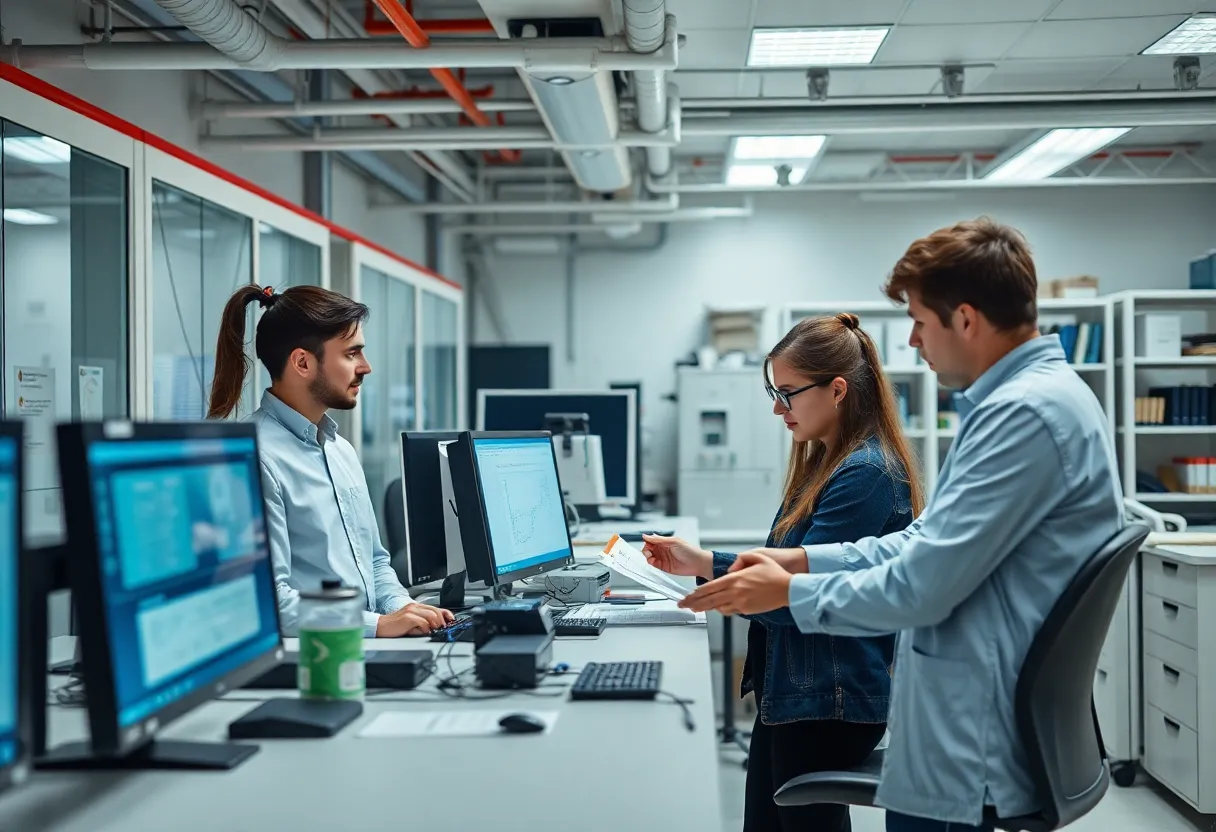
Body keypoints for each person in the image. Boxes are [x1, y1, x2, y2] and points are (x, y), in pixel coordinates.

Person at [678, 218, 1124, 832]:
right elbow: (924, 541)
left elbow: (921, 586)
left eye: (918, 320)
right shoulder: (1036, 399)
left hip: (971, 735)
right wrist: (803, 562)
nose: (912, 341)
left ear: (964, 319)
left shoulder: (1023, 415)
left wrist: (792, 592)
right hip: (966, 716)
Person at [645, 313, 922, 832]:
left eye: (788, 392)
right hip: (800, 689)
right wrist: (702, 563)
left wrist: (718, 588)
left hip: (829, 702)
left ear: (837, 390)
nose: (777, 408)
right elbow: (790, 567)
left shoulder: (864, 474)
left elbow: (800, 598)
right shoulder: (825, 462)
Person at [208, 284, 454, 638]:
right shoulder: (253, 457)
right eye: (352, 354)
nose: (365, 367)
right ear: (303, 362)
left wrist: (404, 608)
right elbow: (268, 601)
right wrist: (380, 625)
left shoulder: (340, 450)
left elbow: (375, 562)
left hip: (362, 646)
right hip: (313, 657)